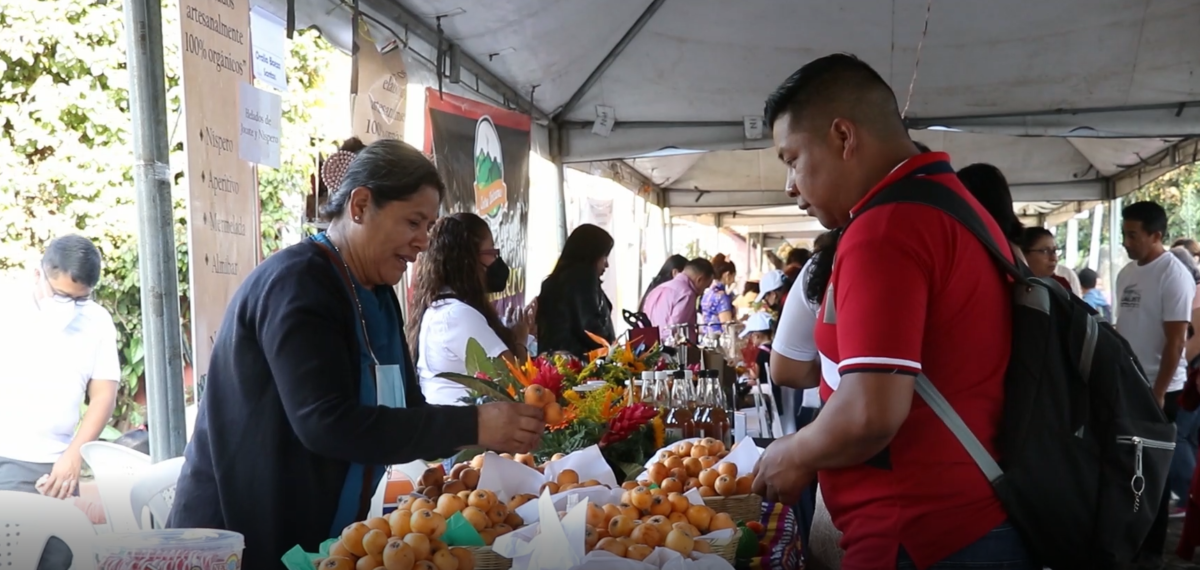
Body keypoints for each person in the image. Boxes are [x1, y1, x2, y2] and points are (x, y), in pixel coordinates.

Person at [167, 140, 546, 570]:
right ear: (361, 205)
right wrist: (473, 423)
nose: (423, 242)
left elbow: (406, 410)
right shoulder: (298, 284)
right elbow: (325, 423)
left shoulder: (379, 296)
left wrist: (486, 431)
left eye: (428, 226)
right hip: (237, 542)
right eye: (413, 222)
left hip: (319, 540)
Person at [753, 54, 1034, 568]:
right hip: (968, 519)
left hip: (920, 534)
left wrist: (791, 452)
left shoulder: (886, 229)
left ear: (843, 136)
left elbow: (870, 412)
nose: (790, 185)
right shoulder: (952, 206)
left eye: (792, 159)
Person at [0, 235, 119, 498]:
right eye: (62, 295)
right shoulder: (7, 306)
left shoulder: (97, 321)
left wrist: (74, 455)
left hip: (51, 465)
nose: (70, 307)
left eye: (81, 299)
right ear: (38, 274)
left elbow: (103, 396)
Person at [1114, 201, 1195, 564]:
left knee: (1153, 474)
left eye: (1133, 235)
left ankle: (1150, 552)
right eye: (1125, 234)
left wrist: (1158, 392)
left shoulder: (1172, 274)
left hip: (1161, 389)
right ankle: (1128, 541)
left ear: (1156, 235)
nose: (1126, 242)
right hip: (1129, 384)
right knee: (1128, 469)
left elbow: (1176, 341)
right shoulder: (1126, 273)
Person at [409, 213, 534, 406]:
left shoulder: (441, 309)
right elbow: (515, 384)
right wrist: (520, 339)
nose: (496, 261)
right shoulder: (457, 316)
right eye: (491, 253)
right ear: (468, 259)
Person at [536, 224, 616, 357]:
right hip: (579, 364)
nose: (606, 264)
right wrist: (613, 349)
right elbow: (591, 330)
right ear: (592, 255)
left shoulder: (556, 281)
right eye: (604, 257)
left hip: (556, 363)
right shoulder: (582, 279)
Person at [642, 258, 715, 343]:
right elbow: (675, 331)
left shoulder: (658, 289)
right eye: (705, 287)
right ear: (700, 280)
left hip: (649, 346)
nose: (702, 292)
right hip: (670, 349)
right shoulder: (687, 294)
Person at [700, 255, 737, 335]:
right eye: (733, 276)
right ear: (727, 275)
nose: (734, 280)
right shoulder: (722, 296)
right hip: (719, 339)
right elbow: (727, 326)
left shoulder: (707, 293)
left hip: (706, 336)